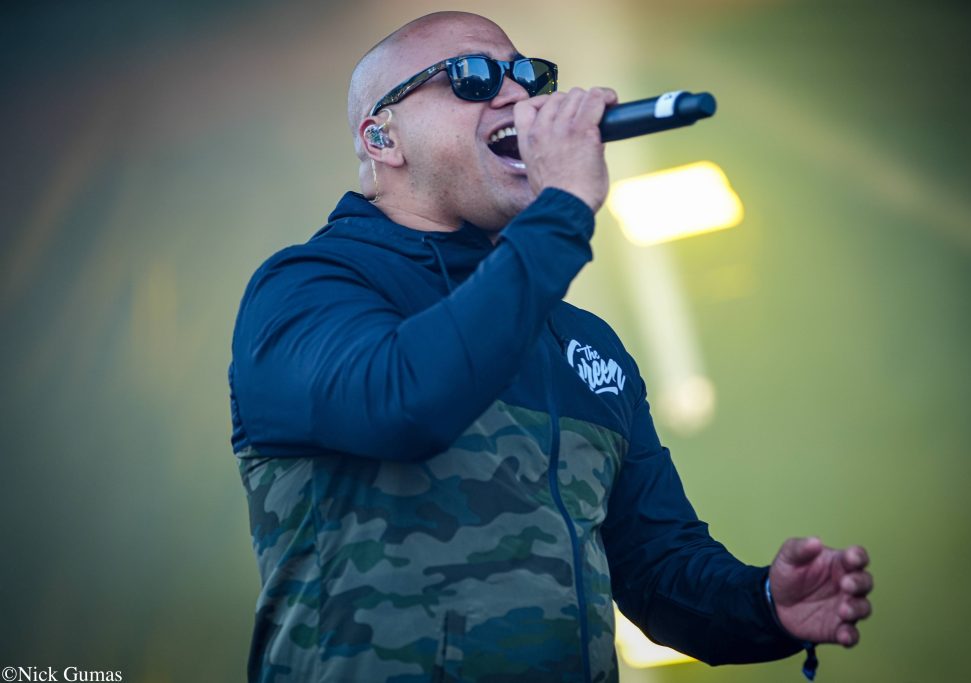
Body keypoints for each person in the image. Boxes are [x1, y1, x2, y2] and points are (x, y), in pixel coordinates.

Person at [228, 11, 873, 683]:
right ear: (382, 137)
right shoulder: (306, 287)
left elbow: (655, 568)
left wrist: (765, 603)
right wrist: (560, 207)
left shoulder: (583, 343)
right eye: (471, 77)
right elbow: (404, 403)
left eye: (529, 76)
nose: (516, 94)